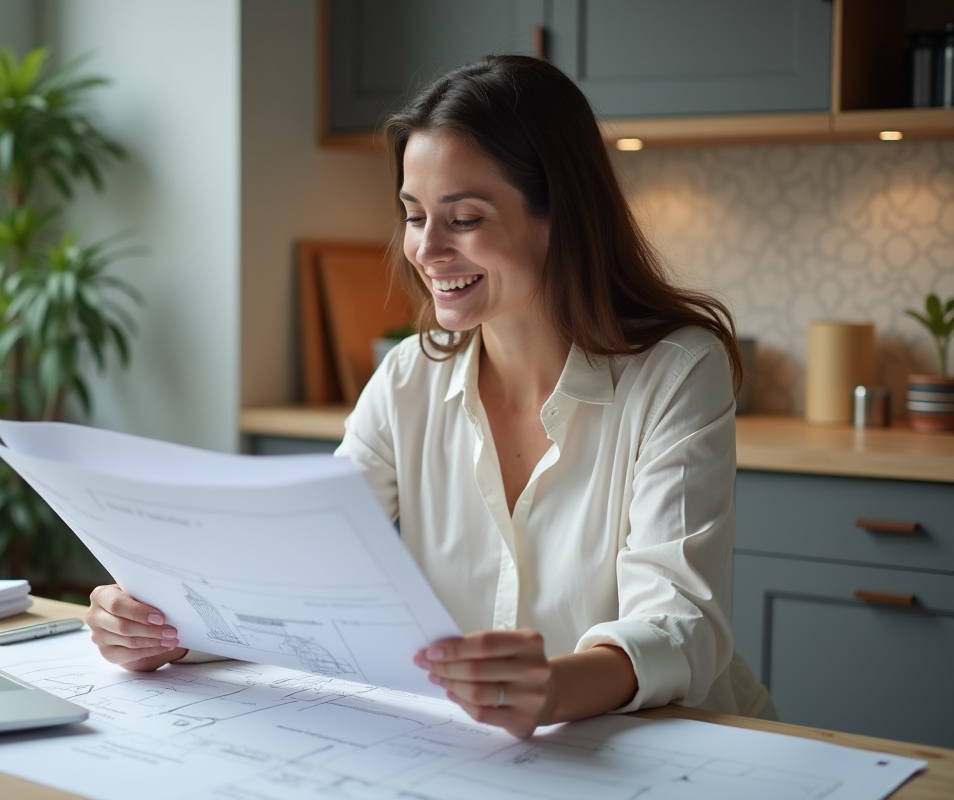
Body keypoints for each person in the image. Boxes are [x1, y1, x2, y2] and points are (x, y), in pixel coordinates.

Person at [85, 55, 773, 739]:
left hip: (674, 750)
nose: (425, 248)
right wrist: (166, 631)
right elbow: (296, 573)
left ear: (558, 213)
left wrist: (553, 687)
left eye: (464, 218)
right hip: (479, 757)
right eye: (414, 216)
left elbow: (681, 627)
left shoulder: (678, 370)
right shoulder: (408, 377)